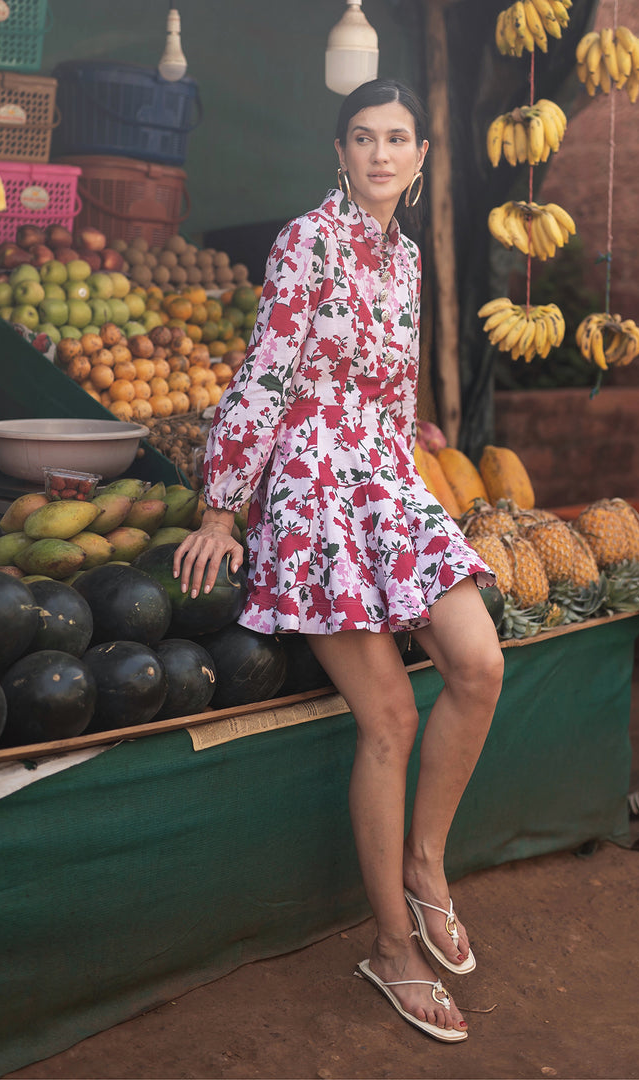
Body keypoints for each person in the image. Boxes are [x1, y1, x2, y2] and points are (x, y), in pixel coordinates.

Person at [173, 78, 504, 1043]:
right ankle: (392, 948)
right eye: (364, 138)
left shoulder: (404, 259)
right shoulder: (307, 241)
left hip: (386, 484)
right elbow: (267, 375)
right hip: (313, 489)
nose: (381, 154)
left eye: (398, 138)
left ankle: (425, 861)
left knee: (479, 667)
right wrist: (223, 511)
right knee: (391, 717)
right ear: (341, 151)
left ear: (423, 154)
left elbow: (393, 383)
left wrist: (407, 446)